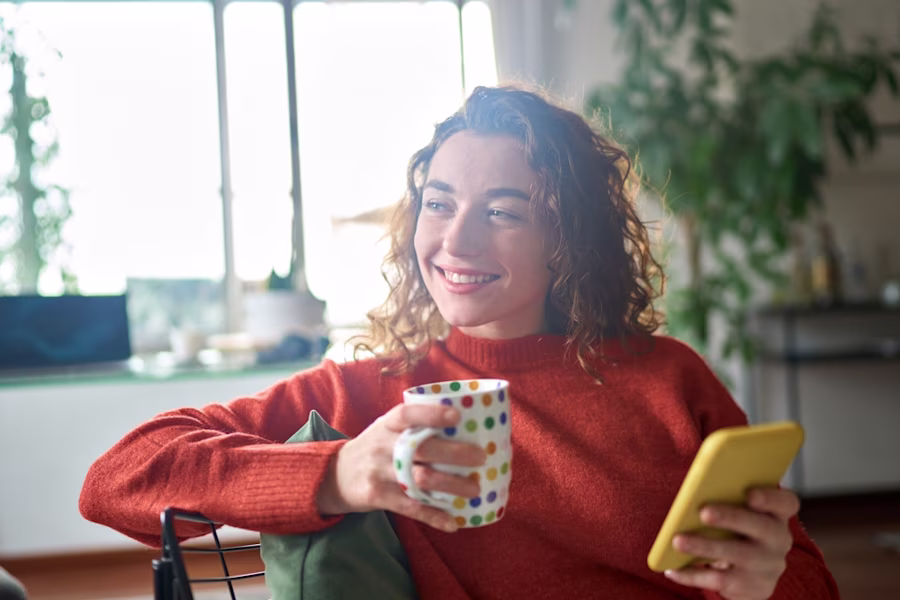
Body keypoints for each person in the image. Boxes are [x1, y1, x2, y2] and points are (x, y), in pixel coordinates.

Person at [80, 85, 839, 599]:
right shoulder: (370, 397)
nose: (455, 240)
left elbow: (810, 579)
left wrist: (768, 580)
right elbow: (116, 478)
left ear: (567, 239)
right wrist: (339, 473)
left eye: (503, 212)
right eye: (439, 204)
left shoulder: (670, 382)